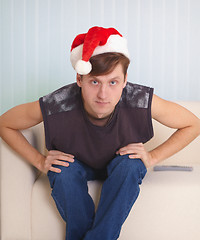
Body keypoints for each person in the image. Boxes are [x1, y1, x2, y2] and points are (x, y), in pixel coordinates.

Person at [0, 26, 200, 240]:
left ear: (124, 81)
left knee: (133, 165)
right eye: (94, 82)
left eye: (113, 82)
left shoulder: (139, 100)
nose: (103, 94)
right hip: (75, 164)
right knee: (61, 171)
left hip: (119, 163)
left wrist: (153, 156)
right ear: (80, 79)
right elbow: (5, 123)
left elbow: (192, 124)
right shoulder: (58, 103)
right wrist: (39, 161)